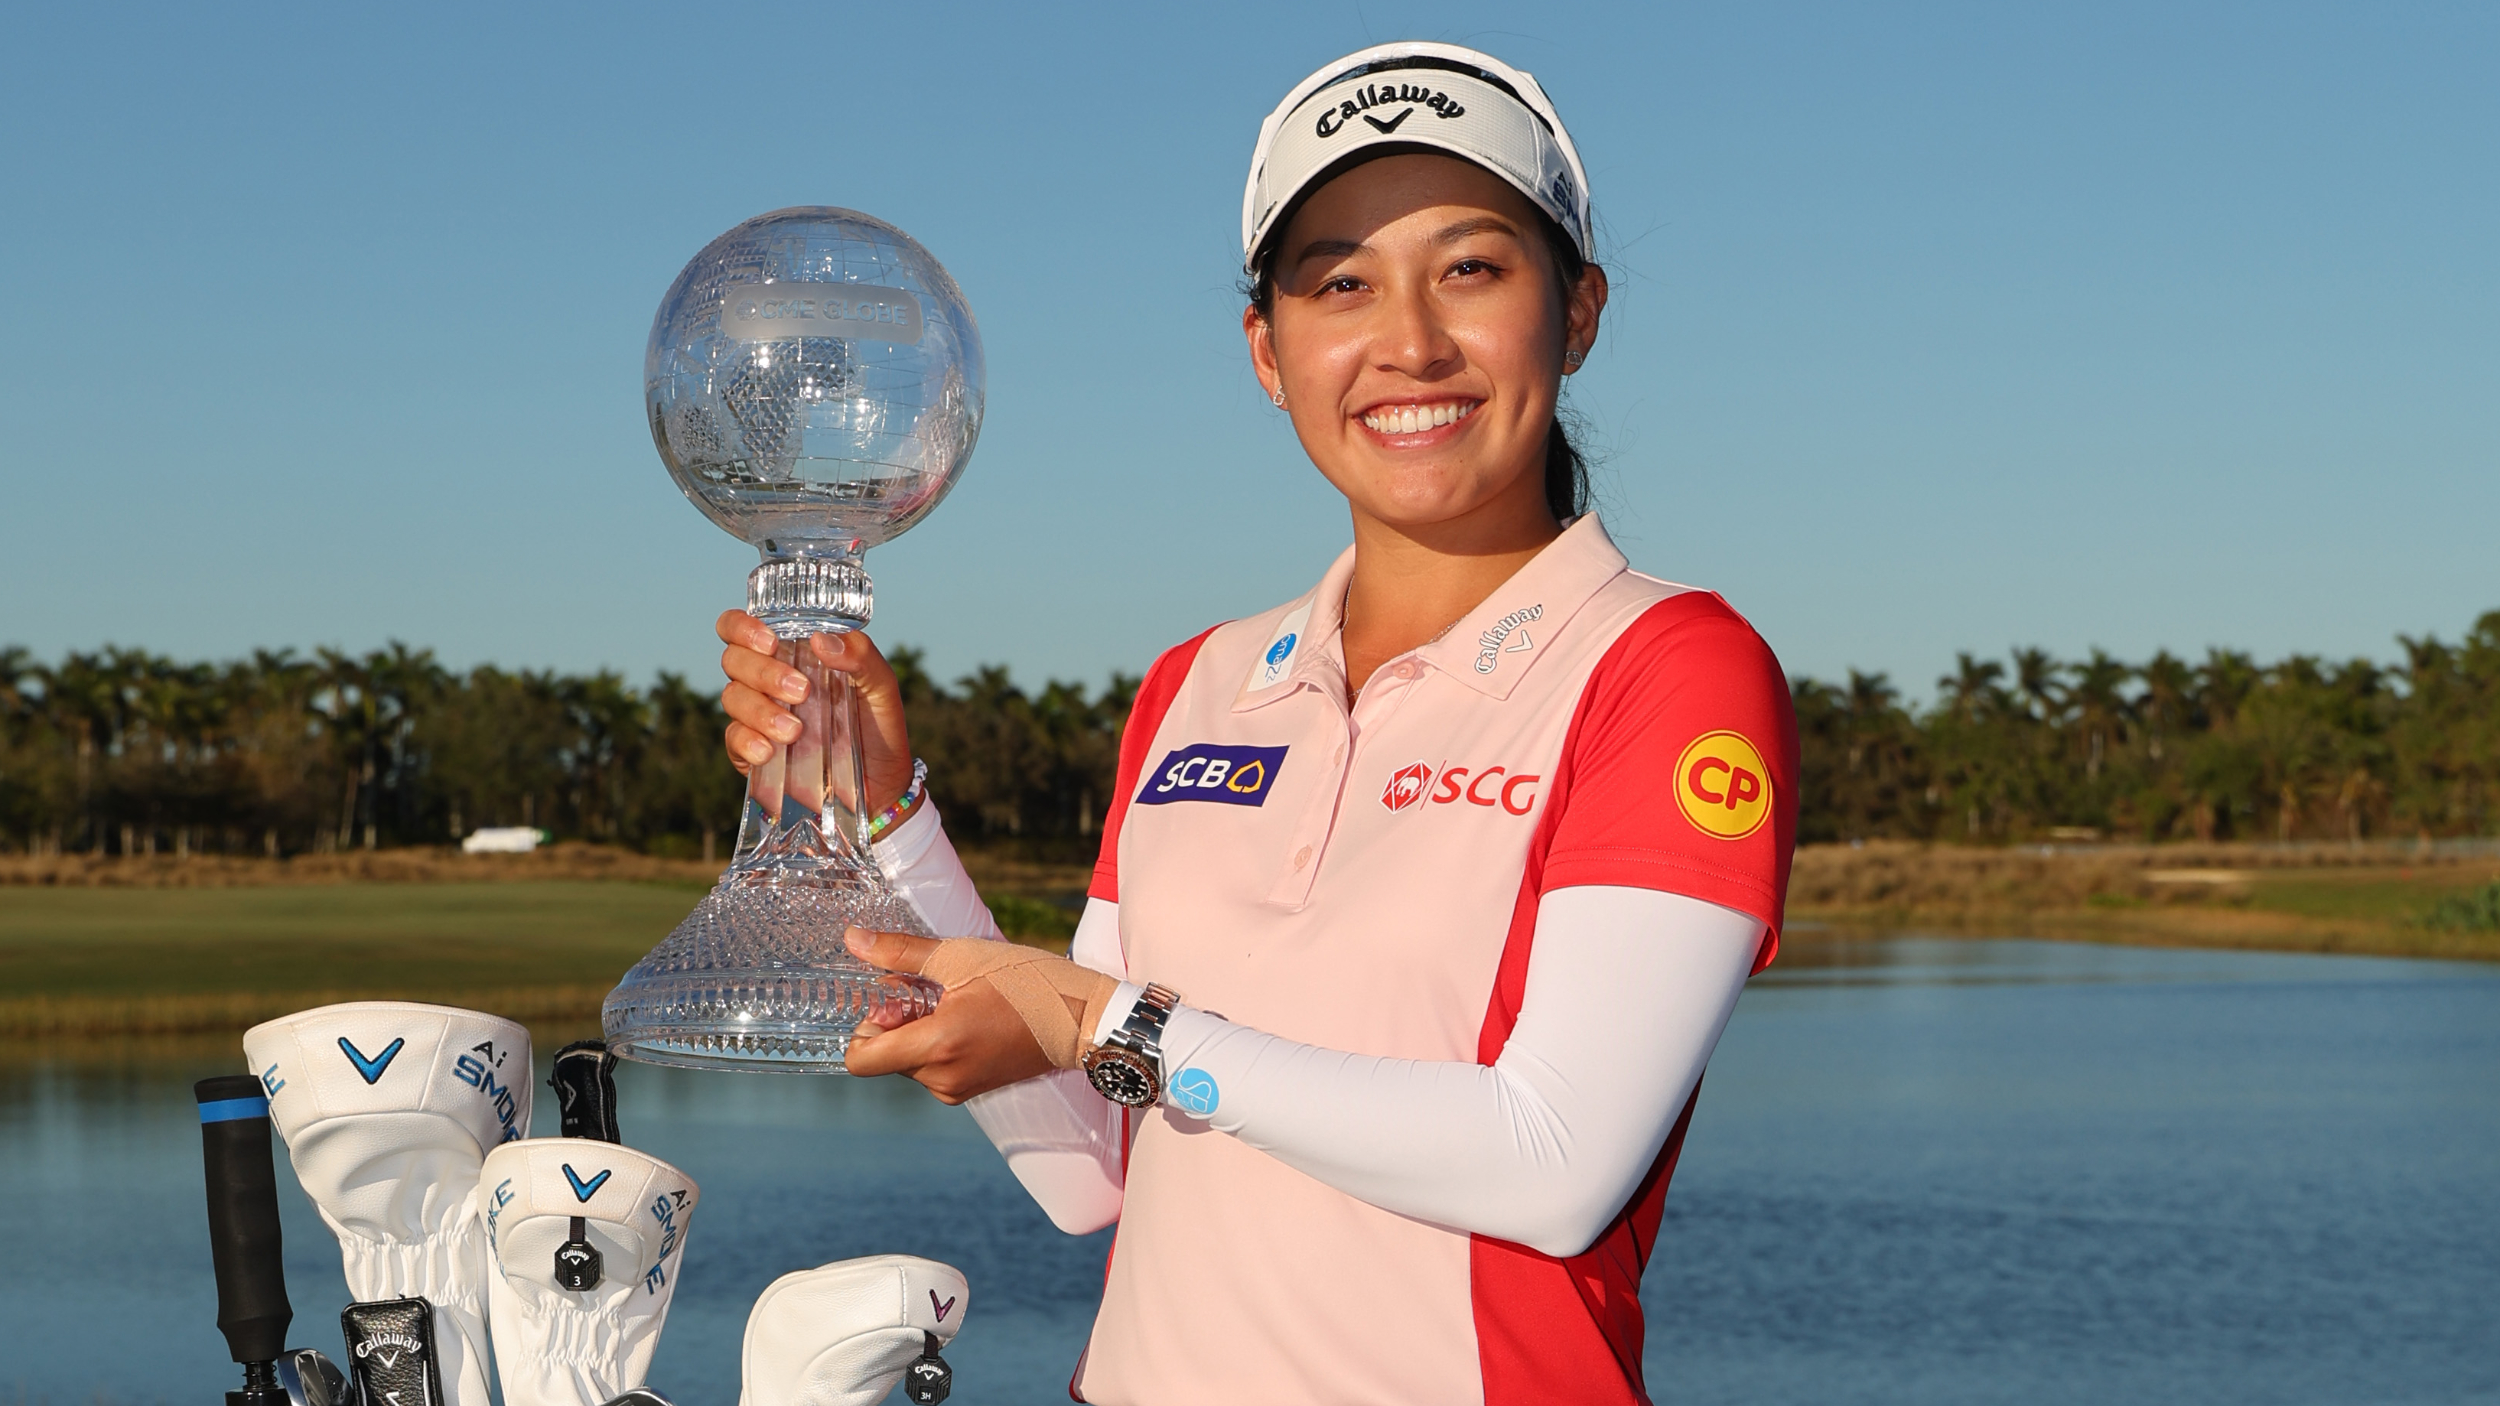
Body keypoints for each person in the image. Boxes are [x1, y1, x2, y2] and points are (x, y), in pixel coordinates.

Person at [714, 41, 1797, 1406]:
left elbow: (1557, 1162)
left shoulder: (1669, 666)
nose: (1408, 339)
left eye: (1472, 266)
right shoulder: (1201, 681)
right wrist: (884, 816)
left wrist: (1112, 1019)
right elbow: (1093, 1170)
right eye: (1339, 281)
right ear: (1267, 353)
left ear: (1576, 312)